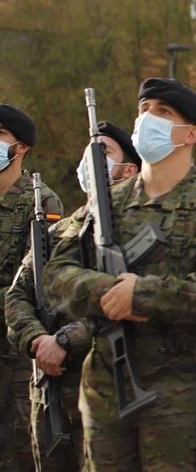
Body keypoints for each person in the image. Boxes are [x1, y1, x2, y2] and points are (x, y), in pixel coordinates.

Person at [44, 78, 196, 471]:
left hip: (180, 387)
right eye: (143, 110)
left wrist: (142, 295)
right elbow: (56, 274)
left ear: (191, 133)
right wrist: (107, 290)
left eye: (163, 112)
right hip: (105, 382)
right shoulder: (107, 202)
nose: (147, 119)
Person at [7, 120, 137, 472]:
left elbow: (130, 301)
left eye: (103, 151)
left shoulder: (139, 234)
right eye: (88, 151)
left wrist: (64, 340)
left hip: (107, 393)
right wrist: (37, 340)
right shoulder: (57, 232)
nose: (90, 160)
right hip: (48, 392)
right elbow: (18, 296)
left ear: (129, 170)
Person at [0, 103, 64, 470]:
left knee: (16, 454)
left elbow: (39, 284)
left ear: (20, 147)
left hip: (14, 356)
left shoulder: (40, 202)